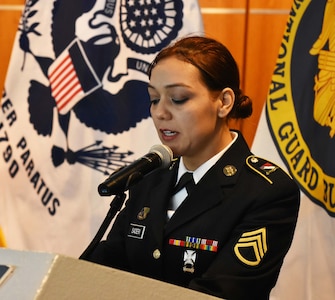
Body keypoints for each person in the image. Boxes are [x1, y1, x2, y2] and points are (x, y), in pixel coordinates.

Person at [83, 36, 300, 299]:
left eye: (178, 98)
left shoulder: (265, 191)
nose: (160, 112)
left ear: (224, 102)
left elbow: (222, 292)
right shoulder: (148, 178)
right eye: (153, 99)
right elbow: (103, 269)